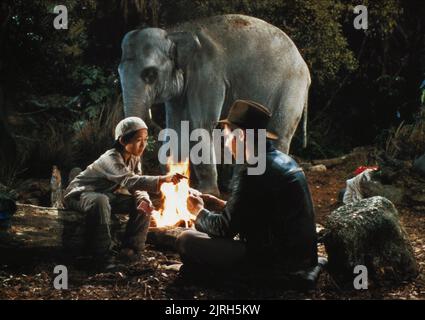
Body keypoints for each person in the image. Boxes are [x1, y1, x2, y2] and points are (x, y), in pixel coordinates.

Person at [177, 100, 319, 283]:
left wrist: (198, 211)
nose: (226, 144)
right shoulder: (281, 160)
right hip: (301, 258)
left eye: (227, 137)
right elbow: (258, 210)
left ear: (241, 136)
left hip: (278, 264)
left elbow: (224, 229)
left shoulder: (253, 171)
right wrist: (219, 204)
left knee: (186, 239)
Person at [64, 117, 183, 269]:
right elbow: (130, 180)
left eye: (146, 140)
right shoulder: (110, 158)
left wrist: (143, 199)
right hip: (81, 194)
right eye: (138, 140)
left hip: (106, 195)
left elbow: (138, 185)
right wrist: (162, 179)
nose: (143, 144)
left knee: (144, 204)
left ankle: (131, 250)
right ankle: (101, 257)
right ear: (122, 141)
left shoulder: (134, 158)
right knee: (100, 201)